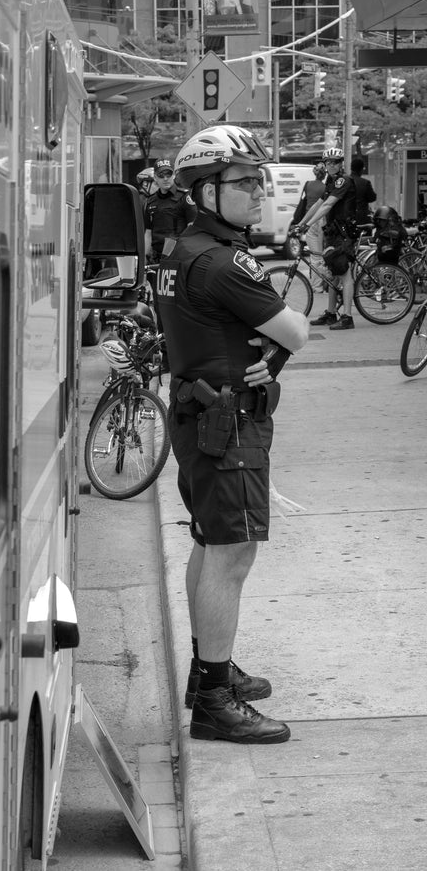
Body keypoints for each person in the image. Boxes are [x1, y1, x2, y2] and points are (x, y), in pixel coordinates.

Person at [156, 125, 309, 744]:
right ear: (204, 190)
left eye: (259, 181)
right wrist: (275, 349)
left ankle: (206, 674)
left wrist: (265, 354)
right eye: (244, 181)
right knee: (232, 553)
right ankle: (214, 700)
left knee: (208, 541)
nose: (258, 191)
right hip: (229, 421)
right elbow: (297, 330)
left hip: (201, 414)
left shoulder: (180, 250)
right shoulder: (223, 261)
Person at [297, 147, 357, 331]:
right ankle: (331, 313)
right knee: (332, 274)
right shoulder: (330, 180)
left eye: (335, 162)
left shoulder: (343, 180)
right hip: (333, 232)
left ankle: (347, 317)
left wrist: (309, 225)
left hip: (344, 234)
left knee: (344, 274)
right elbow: (318, 203)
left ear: (341, 164)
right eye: (328, 162)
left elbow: (328, 205)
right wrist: (301, 222)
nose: (331, 165)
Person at [143, 158, 196, 263]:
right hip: (156, 258)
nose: (165, 179)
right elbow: (148, 233)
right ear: (155, 178)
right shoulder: (150, 201)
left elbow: (193, 228)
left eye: (168, 174)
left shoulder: (185, 197)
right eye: (161, 175)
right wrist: (143, 257)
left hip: (179, 256)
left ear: (174, 175)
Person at [291, 161, 327, 293]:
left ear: (314, 173)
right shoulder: (325, 188)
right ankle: (326, 283)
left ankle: (317, 286)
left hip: (310, 221)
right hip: (323, 221)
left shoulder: (307, 185)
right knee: (323, 254)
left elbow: (303, 200)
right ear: (324, 175)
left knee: (315, 256)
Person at [350, 157, 377, 226]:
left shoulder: (344, 181)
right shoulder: (365, 183)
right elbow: (372, 198)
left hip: (347, 218)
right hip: (362, 218)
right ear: (361, 169)